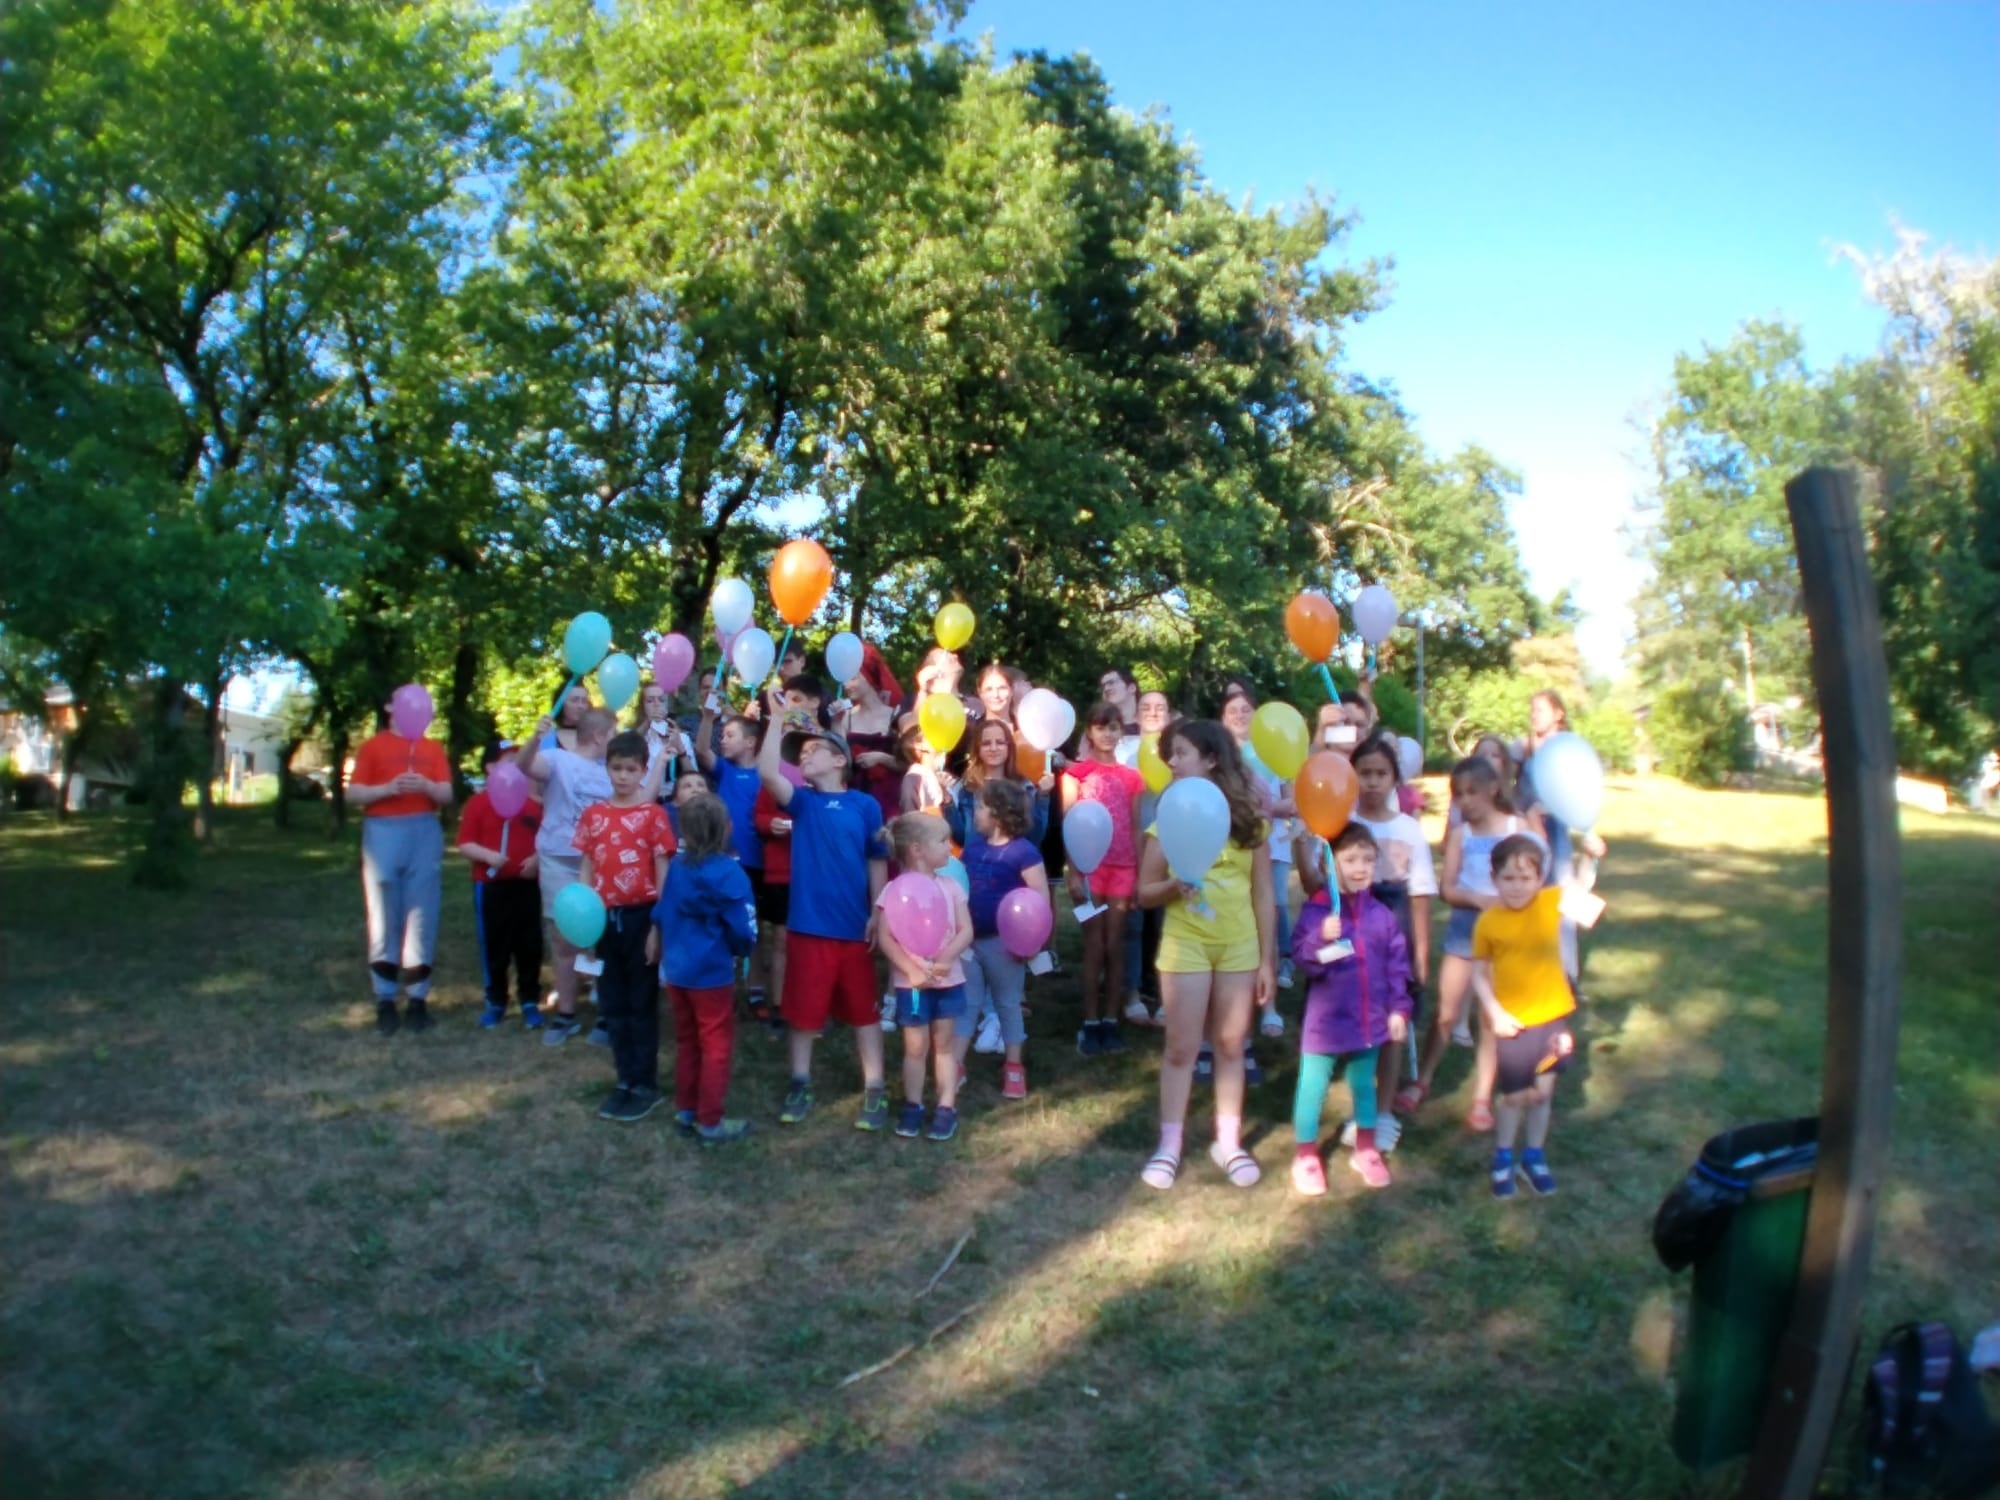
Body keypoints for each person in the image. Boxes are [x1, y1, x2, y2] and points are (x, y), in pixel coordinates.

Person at [1135, 720, 1275, 1190]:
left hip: (1239, 946)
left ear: (1211, 759)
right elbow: (1144, 892)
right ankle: (1169, 1145)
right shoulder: (1165, 818)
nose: (1171, 762)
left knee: (1232, 1045)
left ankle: (1228, 1141)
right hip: (1185, 943)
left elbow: (1262, 897)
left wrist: (1268, 961)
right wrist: (1173, 886)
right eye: (1169, 754)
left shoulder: (1250, 820)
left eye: (1180, 752)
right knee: (1181, 1047)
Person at [758, 710, 890, 1128]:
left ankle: (875, 1088)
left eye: (815, 750)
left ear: (840, 761)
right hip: (808, 929)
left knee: (864, 1013)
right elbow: (766, 771)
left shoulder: (865, 805)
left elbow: (877, 861)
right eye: (801, 754)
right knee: (803, 1013)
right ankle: (800, 1081)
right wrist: (776, 720)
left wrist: (878, 911)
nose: (805, 757)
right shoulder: (803, 802)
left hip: (852, 929)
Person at [1398, 755, 1537, 1130]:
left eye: (1472, 793)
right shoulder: (1461, 836)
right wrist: (1479, 900)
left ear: (1494, 789)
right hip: (1466, 928)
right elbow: (1447, 888)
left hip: (1506, 933)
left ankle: (1480, 1098)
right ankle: (1422, 1079)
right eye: (1459, 795)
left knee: (1491, 1019)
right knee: (1446, 1012)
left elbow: (1533, 877)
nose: (1465, 802)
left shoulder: (1516, 827)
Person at [1290, 824, 1412, 1193]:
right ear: (1330, 865)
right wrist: (1318, 939)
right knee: (1312, 1088)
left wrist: (1398, 1010)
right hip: (1325, 1024)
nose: (1361, 867)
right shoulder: (1317, 911)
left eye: (1368, 859)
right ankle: (1306, 1154)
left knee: (1364, 1086)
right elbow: (1304, 961)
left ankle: (1366, 1148)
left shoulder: (1382, 916)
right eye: (1350, 859)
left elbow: (1397, 968)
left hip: (1368, 1022)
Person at [573, 731, 678, 1123]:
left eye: (630, 770)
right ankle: (624, 1079)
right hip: (603, 920)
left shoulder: (653, 816)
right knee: (613, 1003)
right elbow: (586, 865)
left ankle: (645, 1083)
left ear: (642, 771)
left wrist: (658, 926)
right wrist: (583, 919)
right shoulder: (594, 816)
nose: (622, 777)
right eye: (616, 768)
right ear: (607, 769)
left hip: (641, 918)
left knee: (641, 1004)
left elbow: (663, 870)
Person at [1341, 731, 1436, 1153]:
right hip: (1352, 931)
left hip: (1395, 932)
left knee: (1393, 1023)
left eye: (1381, 774)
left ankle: (1382, 1112)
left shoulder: (1408, 830)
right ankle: (1360, 1109)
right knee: (1357, 1023)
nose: (1373, 782)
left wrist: (1422, 954)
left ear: (1395, 779)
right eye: (1365, 773)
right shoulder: (1341, 823)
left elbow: (1420, 894)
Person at [1473, 833, 1578, 1198]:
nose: (1518, 887)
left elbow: (1586, 892)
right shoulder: (1489, 922)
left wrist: (1591, 857)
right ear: (1494, 879)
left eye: (1526, 878)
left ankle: (1533, 1156)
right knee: (1515, 1096)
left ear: (1540, 878)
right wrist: (1495, 1012)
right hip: (1513, 1024)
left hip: (1551, 1018)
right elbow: (1478, 973)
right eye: (1509, 879)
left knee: (1542, 1095)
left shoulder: (1551, 902)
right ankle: (1503, 1157)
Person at [652, 791, 758, 1145]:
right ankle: (710, 1119)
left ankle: (686, 1107)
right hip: (711, 973)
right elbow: (744, 926)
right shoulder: (730, 873)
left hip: (677, 970)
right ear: (726, 829)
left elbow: (664, 909)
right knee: (716, 1045)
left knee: (687, 1040)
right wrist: (743, 950)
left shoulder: (678, 867)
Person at [345, 699, 454, 1034]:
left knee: (423, 911)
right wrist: (387, 789)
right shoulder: (373, 747)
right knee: (384, 911)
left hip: (423, 828)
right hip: (383, 831)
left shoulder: (432, 748)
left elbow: (447, 794)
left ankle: (418, 1000)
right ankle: (385, 1001)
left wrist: (427, 786)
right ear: (390, 707)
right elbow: (354, 793)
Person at [945, 718, 1051, 1053]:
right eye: (986, 742)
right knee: (975, 973)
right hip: (977, 883)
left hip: (1010, 891)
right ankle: (980, 1024)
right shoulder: (966, 787)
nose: (993, 748)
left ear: (1009, 748)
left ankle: (999, 1026)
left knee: (1004, 974)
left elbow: (1033, 836)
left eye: (1000, 742)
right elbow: (962, 835)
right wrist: (948, 806)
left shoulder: (1025, 787)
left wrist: (1045, 800)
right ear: (977, 749)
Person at [519, 706, 622, 1045]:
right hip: (558, 861)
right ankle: (565, 1015)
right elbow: (523, 766)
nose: (616, 741)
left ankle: (606, 1013)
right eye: (614, 734)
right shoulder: (557, 760)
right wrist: (534, 739)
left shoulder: (611, 772)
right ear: (599, 735)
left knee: (599, 939)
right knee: (563, 940)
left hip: (598, 864)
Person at [876, 812, 975, 1141]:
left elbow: (966, 930)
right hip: (912, 985)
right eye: (943, 841)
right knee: (915, 1048)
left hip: (949, 982)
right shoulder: (894, 890)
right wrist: (913, 970)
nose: (950, 847)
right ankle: (913, 1104)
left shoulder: (950, 887)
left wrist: (946, 958)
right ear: (917, 849)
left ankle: (947, 1106)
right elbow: (887, 937)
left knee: (944, 1046)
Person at [952, 780, 1050, 1098]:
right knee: (967, 1004)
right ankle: (954, 1064)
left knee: (1008, 1004)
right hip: (970, 940)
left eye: (980, 806)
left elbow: (1040, 900)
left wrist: (1030, 942)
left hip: (1004, 944)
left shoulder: (1024, 852)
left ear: (998, 812)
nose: (976, 812)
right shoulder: (974, 846)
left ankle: (1014, 1067)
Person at [1064, 701, 1146, 1057]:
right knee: (1094, 946)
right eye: (1101, 727)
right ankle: (1090, 1020)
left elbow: (1137, 826)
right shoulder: (1076, 775)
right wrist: (1073, 872)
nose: (1108, 734)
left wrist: (1142, 872)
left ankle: (1111, 1020)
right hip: (1090, 868)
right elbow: (1069, 823)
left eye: (1113, 727)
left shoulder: (1133, 777)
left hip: (1124, 867)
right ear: (1090, 732)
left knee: (1116, 945)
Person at [1222, 685, 1297, 1049]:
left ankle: (1269, 1006)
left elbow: (1291, 803)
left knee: (1269, 911)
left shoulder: (1272, 752)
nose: (1239, 715)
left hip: (1271, 844)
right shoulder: (1218, 758)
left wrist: (1257, 810)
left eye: (1246, 710)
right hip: (1230, 848)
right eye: (1232, 711)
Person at [457, 741, 544, 1031]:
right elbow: (465, 843)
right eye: (508, 761)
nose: (516, 767)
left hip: (527, 886)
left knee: (529, 944)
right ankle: (496, 1000)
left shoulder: (532, 805)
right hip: (491, 887)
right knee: (495, 945)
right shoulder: (479, 803)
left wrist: (536, 858)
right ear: (490, 768)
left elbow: (545, 838)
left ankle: (530, 999)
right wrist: (488, 856)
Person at [696, 710, 770, 1007]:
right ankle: (720, 984)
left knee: (756, 925)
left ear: (750, 742)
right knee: (720, 920)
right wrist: (708, 719)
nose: (722, 741)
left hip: (756, 861)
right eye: (722, 735)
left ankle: (756, 987)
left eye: (729, 735)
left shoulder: (766, 774)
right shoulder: (724, 769)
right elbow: (702, 751)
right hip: (723, 861)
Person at [1123, 688, 1176, 1026]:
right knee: (1133, 924)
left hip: (1172, 847)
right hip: (1131, 845)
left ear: (1169, 715)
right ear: (1137, 714)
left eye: (1160, 707)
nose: (1153, 712)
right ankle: (1130, 993)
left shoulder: (1179, 752)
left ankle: (1163, 995)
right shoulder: (1125, 750)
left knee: (1166, 926)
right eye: (1147, 707)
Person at [837, 667, 903, 827]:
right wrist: (835, 722)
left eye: (853, 678)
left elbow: (908, 763)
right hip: (854, 799)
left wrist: (881, 758)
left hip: (889, 799)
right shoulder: (846, 718)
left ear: (869, 678)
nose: (846, 685)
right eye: (844, 679)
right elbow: (837, 760)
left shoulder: (896, 716)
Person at [637, 680, 698, 799]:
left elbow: (693, 775)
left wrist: (680, 749)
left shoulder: (681, 737)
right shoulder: (637, 735)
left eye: (661, 700)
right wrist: (647, 723)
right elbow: (629, 746)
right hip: (642, 799)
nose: (656, 704)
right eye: (650, 701)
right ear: (642, 706)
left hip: (673, 801)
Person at [1099, 667, 1142, 765]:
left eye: (1111, 683)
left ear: (1131, 688)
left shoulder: (1151, 725)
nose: (1106, 689)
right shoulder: (1098, 727)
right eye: (1103, 686)